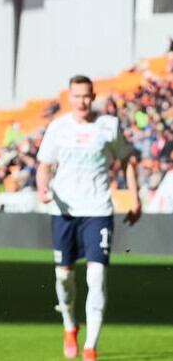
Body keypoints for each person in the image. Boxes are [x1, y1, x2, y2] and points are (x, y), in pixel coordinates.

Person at [36, 75, 141, 361]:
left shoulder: (108, 126)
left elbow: (126, 160)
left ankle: (90, 347)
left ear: (93, 97)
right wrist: (42, 188)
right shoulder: (58, 128)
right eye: (77, 96)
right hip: (64, 211)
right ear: (69, 97)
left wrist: (135, 198)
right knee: (64, 277)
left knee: (96, 276)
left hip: (98, 210)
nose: (82, 101)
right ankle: (69, 325)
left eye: (86, 96)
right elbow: (44, 165)